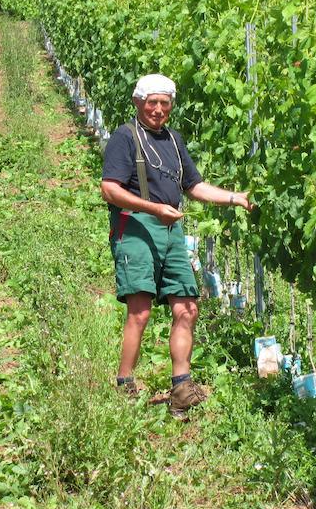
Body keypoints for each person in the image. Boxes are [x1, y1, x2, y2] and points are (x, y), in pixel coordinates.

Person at [100, 73, 253, 419]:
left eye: (164, 103)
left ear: (170, 106)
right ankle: (125, 384)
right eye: (151, 103)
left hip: (171, 233)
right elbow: (109, 189)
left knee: (187, 308)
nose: (157, 109)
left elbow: (194, 186)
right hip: (135, 227)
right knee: (139, 311)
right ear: (138, 103)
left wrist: (234, 198)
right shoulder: (125, 138)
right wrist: (153, 207)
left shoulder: (173, 140)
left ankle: (181, 388)